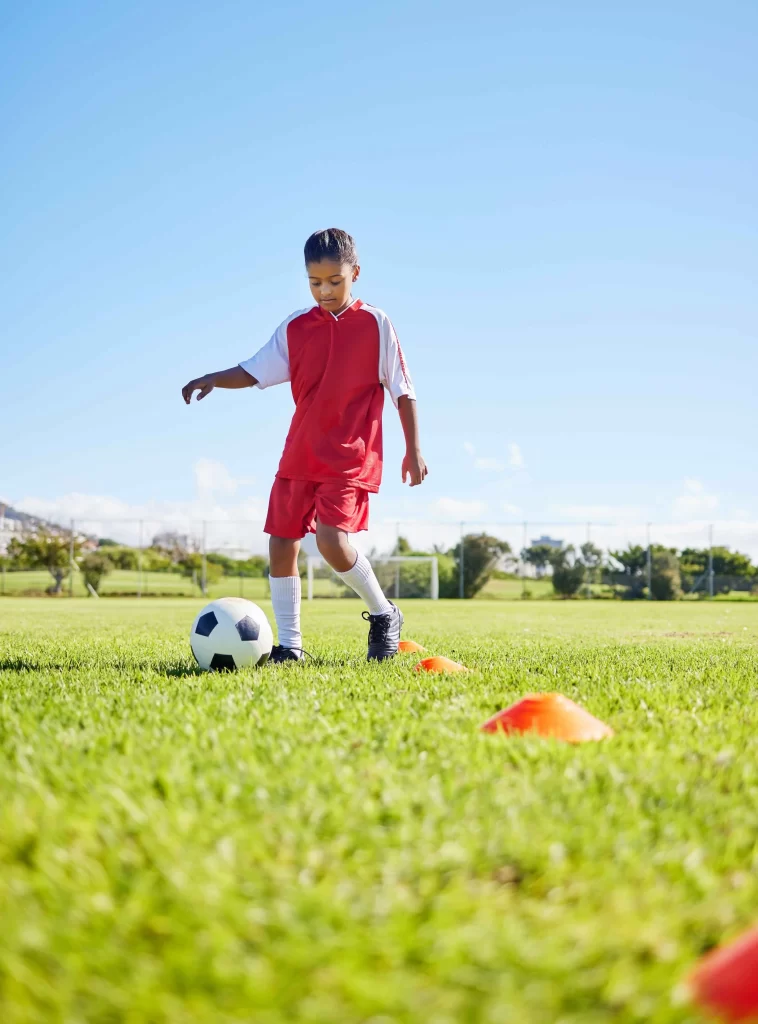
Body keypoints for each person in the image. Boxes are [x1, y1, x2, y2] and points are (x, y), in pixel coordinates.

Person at [181, 228, 428, 663]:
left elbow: (403, 390)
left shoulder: (376, 323)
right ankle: (291, 646)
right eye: (315, 282)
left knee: (333, 542)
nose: (325, 290)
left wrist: (413, 449)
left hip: (351, 456)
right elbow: (255, 369)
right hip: (300, 451)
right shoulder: (296, 327)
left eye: (335, 280)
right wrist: (213, 378)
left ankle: (385, 613)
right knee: (281, 542)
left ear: (355, 273)